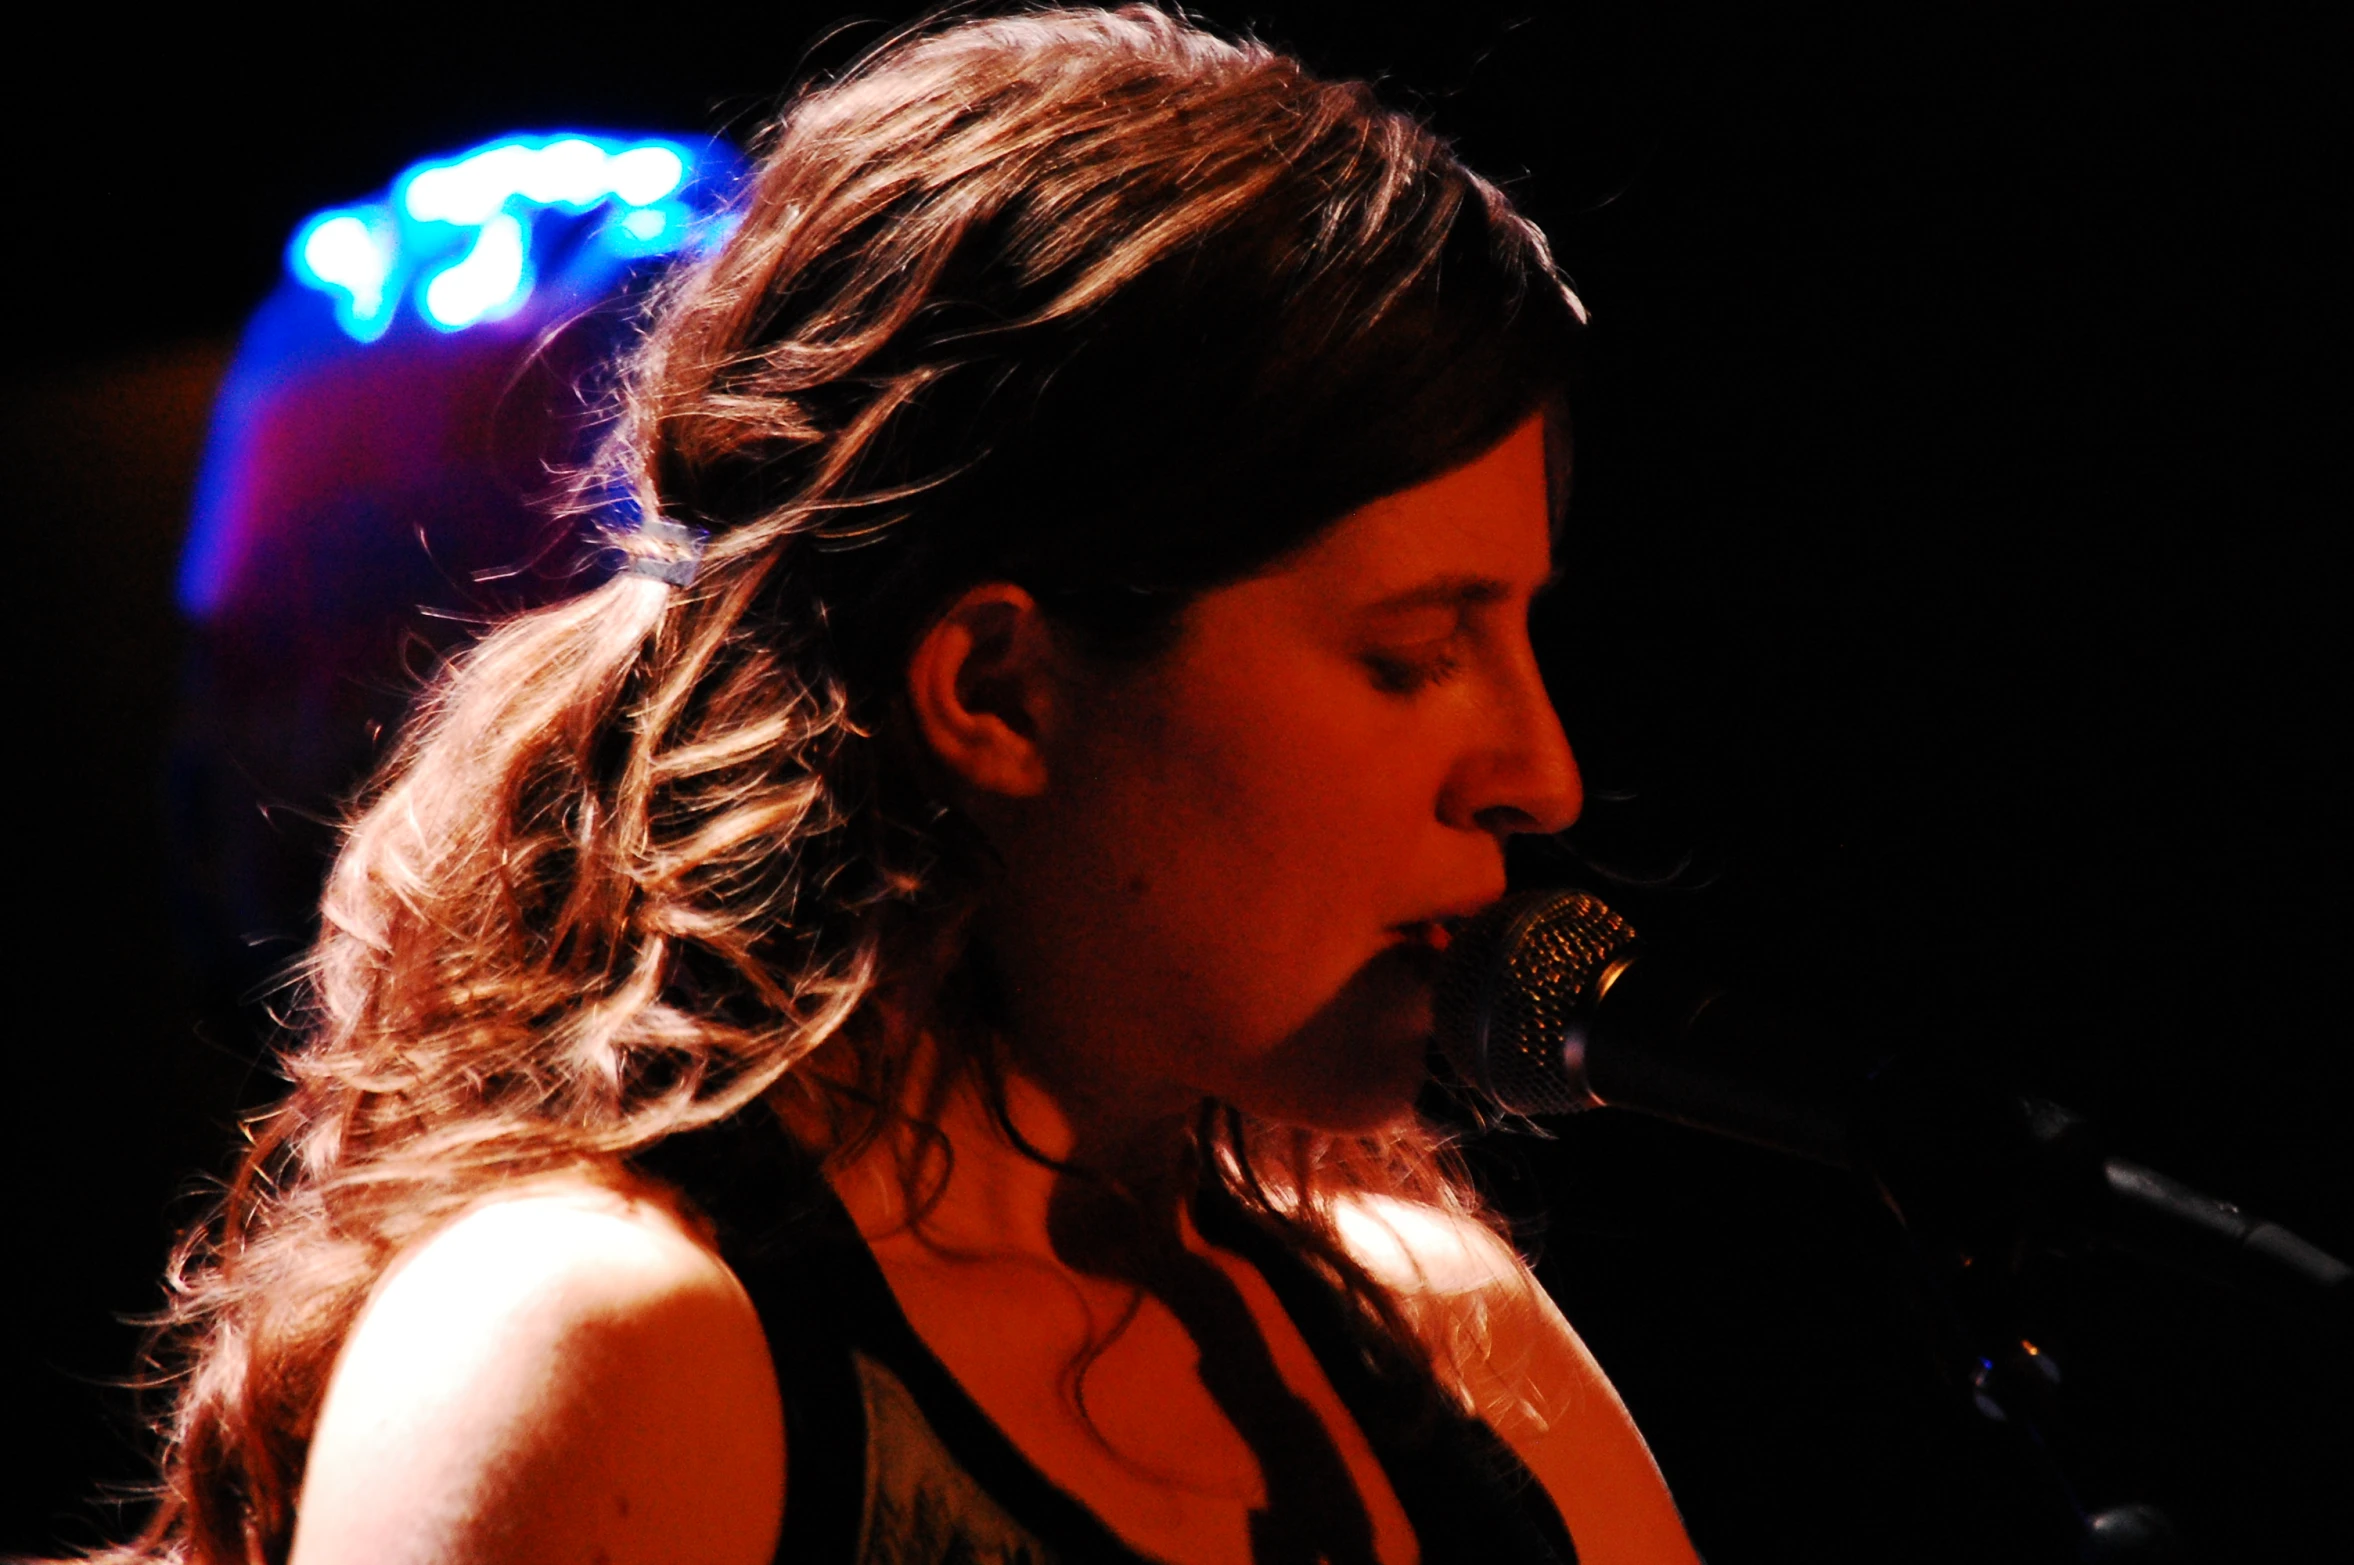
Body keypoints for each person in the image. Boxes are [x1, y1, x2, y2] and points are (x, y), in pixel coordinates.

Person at [103, 8, 1702, 1563]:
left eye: (1522, 635)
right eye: (1414, 656)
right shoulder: (610, 1346)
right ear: (997, 689)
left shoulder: (1443, 1346)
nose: (1538, 775)